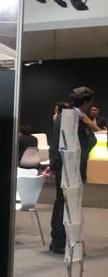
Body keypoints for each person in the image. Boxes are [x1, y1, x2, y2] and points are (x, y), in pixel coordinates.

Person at [49, 86, 97, 254]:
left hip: (65, 167)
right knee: (66, 205)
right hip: (70, 168)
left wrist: (54, 165)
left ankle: (59, 241)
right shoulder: (74, 118)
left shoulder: (64, 116)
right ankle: (61, 242)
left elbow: (56, 144)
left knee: (61, 203)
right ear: (86, 102)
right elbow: (88, 141)